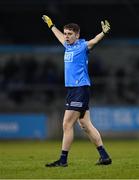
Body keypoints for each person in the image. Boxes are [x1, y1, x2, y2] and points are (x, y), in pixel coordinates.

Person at [42, 15, 112, 167]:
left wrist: (103, 33)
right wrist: (51, 25)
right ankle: (104, 156)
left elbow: (93, 41)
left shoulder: (82, 46)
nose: (66, 36)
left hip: (80, 89)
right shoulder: (67, 45)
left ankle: (63, 160)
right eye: (66, 33)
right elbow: (59, 36)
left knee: (67, 124)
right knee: (85, 125)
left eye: (70, 34)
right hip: (74, 90)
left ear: (77, 35)